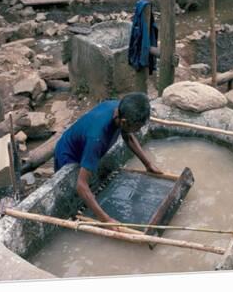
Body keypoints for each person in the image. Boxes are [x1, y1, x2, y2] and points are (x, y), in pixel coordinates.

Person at [54, 92, 162, 226]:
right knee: (72, 199)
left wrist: (148, 164)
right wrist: (106, 220)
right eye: (137, 128)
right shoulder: (97, 138)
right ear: (123, 122)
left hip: (86, 143)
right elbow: (81, 186)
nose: (138, 131)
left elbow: (127, 135)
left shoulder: (120, 109)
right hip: (69, 155)